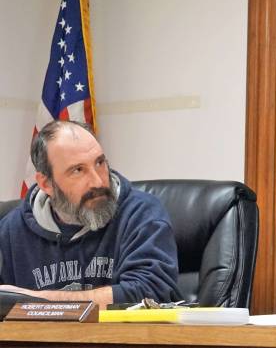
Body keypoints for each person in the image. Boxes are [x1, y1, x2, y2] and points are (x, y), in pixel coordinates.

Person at [0, 120, 181, 306]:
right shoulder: (11, 231)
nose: (98, 182)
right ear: (46, 184)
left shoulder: (141, 214)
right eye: (78, 170)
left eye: (100, 163)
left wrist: (35, 301)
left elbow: (152, 294)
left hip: (121, 335)